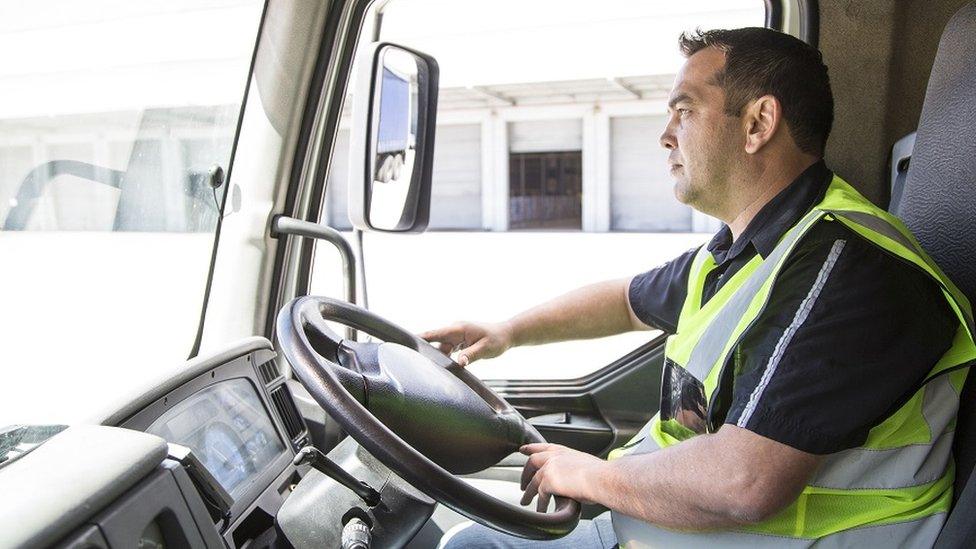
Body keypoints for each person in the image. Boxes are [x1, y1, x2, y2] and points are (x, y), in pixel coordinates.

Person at [423, 27, 976, 548]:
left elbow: (744, 482)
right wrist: (506, 332)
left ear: (758, 123)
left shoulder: (849, 268)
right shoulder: (745, 249)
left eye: (684, 111)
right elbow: (624, 300)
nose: (665, 136)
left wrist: (590, 475)